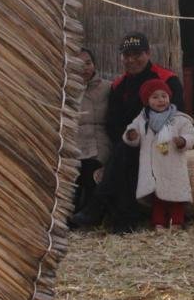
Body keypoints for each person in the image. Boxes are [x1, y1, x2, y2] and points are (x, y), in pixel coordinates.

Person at [69, 32, 185, 231]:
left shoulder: (167, 79)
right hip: (130, 144)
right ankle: (123, 221)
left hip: (163, 143)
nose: (131, 60)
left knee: (124, 154)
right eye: (126, 55)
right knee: (124, 153)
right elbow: (113, 123)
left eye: (137, 54)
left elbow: (178, 117)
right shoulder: (119, 85)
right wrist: (130, 140)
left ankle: (98, 208)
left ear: (148, 53)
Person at [123, 78, 194, 229]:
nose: (160, 100)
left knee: (176, 196)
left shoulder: (179, 119)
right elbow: (132, 131)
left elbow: (190, 135)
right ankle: (158, 223)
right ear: (147, 101)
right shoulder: (142, 120)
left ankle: (177, 223)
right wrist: (131, 135)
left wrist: (183, 141)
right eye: (155, 97)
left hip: (172, 165)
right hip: (152, 168)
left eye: (164, 96)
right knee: (158, 198)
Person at [74, 47, 111, 214]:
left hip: (99, 142)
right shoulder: (66, 92)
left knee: (91, 173)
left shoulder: (107, 88)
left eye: (88, 63)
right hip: (74, 143)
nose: (85, 68)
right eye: (79, 64)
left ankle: (88, 214)